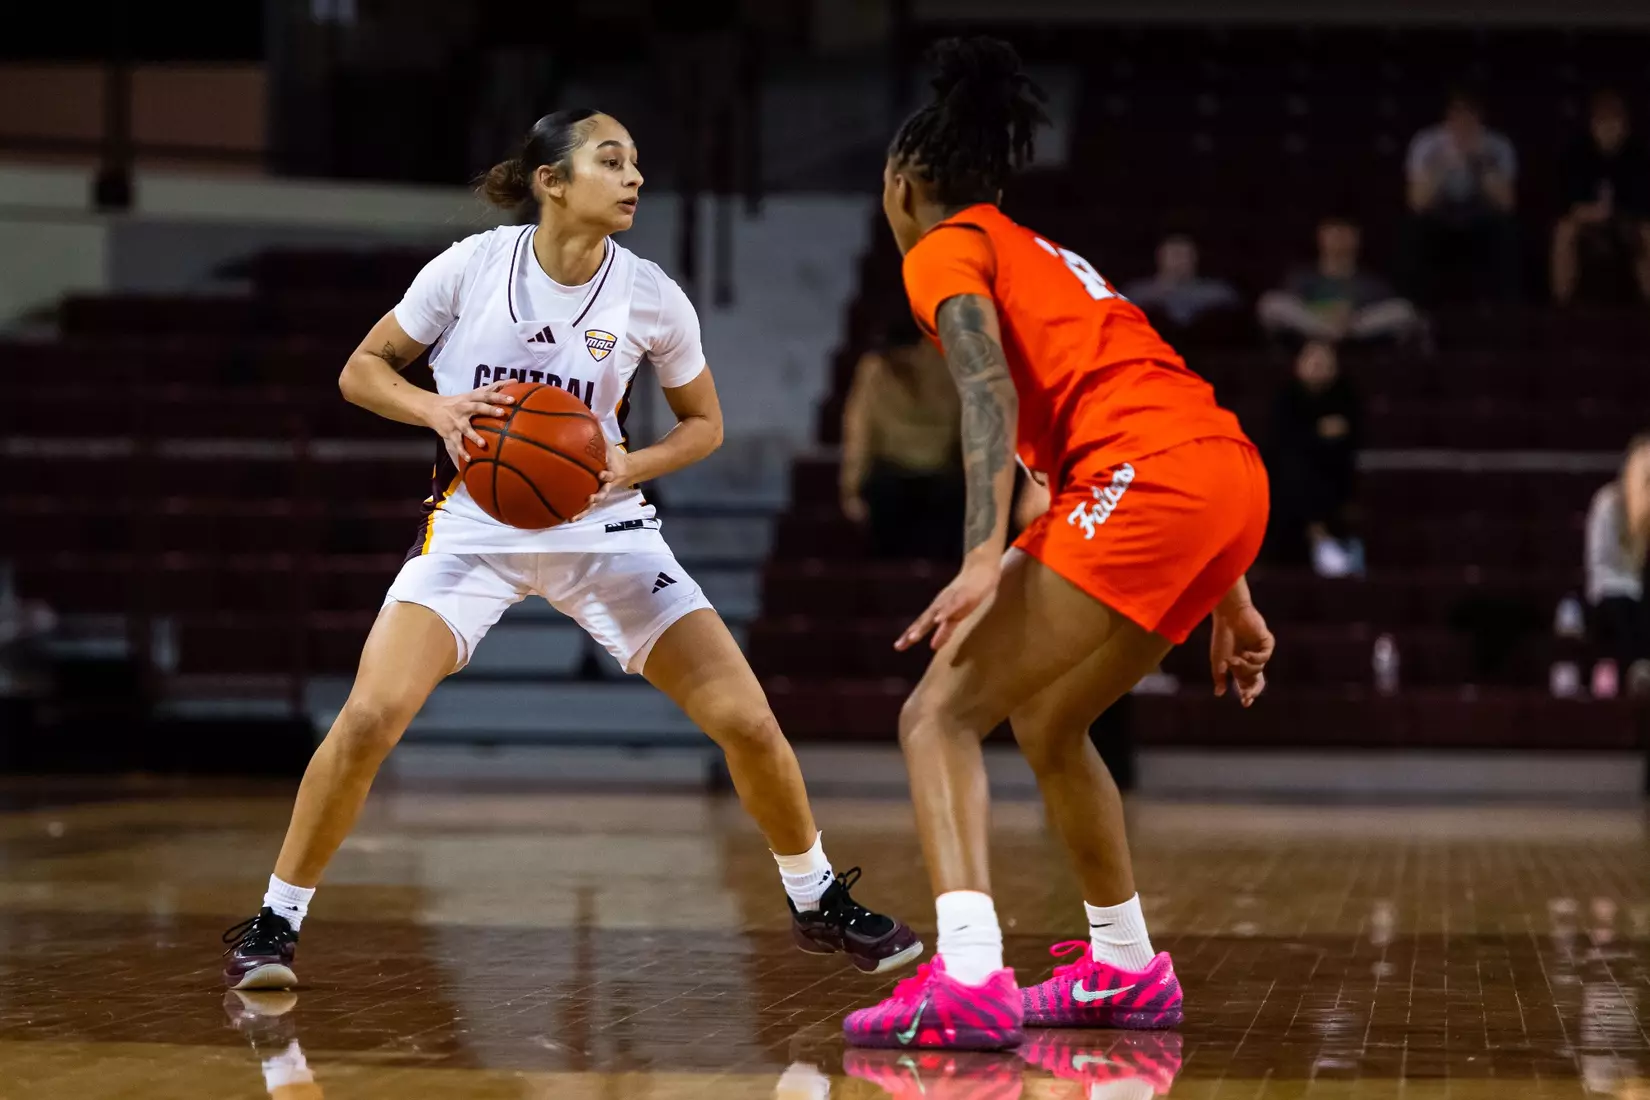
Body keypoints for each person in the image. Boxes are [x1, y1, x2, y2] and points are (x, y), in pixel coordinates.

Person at [220, 110, 919, 990]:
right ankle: (277, 922)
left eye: (637, 164)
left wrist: (635, 464)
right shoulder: (471, 267)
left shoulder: (651, 293)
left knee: (746, 719)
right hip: (474, 525)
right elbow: (362, 369)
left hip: (601, 525)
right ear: (550, 180)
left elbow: (705, 426)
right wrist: (437, 410)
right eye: (611, 161)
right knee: (366, 721)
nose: (633, 179)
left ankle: (815, 899)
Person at [843, 38, 1274, 1051]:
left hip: (1152, 481)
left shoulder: (941, 249)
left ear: (903, 185)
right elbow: (1158, 402)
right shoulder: (1042, 253)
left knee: (936, 713)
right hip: (1223, 477)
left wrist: (983, 552)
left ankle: (967, 974)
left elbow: (985, 390)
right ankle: (1126, 966)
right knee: (1048, 719)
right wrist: (1232, 593)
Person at [839, 311, 964, 560]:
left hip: (940, 473)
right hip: (891, 473)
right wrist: (850, 490)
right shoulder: (874, 370)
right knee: (885, 501)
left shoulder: (946, 364)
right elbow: (859, 431)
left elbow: (966, 424)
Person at [1402, 90, 1520, 304]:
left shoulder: (1498, 144)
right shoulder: (1426, 142)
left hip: (1480, 214)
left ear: (1480, 118)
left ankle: (1504, 310)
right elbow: (1417, 203)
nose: (1463, 123)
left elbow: (1506, 204)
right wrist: (1442, 164)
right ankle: (1417, 307)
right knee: (1413, 230)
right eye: (1457, 116)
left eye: (1470, 116)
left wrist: (1479, 161)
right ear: (1447, 117)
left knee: (1506, 230)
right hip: (1440, 214)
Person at [1265, 341, 1364, 578]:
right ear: (1298, 365)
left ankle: (1322, 538)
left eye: (1325, 361)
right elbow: (1281, 441)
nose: (1318, 366)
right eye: (1312, 360)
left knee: (1305, 468)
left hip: (1333, 475)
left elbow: (1353, 439)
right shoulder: (1286, 398)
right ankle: (1320, 537)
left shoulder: (1346, 396)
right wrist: (1318, 434)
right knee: (1292, 467)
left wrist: (1314, 438)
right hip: (1291, 480)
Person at [1258, 216, 1421, 347]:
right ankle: (1330, 332)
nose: (1339, 239)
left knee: (1404, 310)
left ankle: (1334, 332)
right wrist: (1326, 317)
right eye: (1333, 232)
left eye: (1345, 233)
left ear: (1357, 239)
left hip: (1356, 329)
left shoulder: (1371, 282)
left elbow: (1385, 311)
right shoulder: (1301, 276)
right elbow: (1290, 307)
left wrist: (1349, 317)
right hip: (1312, 328)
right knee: (1270, 303)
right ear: (1320, 237)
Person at [1552, 91, 1650, 304]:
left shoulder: (1638, 156)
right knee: (1564, 230)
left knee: (1647, 232)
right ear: (1592, 125)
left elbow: (1642, 202)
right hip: (1588, 220)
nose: (1609, 129)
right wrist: (1591, 213)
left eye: (1615, 122)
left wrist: (1617, 214)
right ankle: (1561, 304)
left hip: (1627, 220)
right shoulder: (1577, 153)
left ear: (1625, 126)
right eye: (1602, 122)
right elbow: (1569, 203)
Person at [1585, 433, 1650, 698]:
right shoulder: (1607, 502)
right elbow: (1598, 562)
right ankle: (1634, 670)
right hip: (1608, 588)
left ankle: (1641, 669)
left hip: (1637, 590)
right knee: (1624, 607)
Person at [1121, 234, 1241, 329]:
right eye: (1174, 253)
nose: (1179, 260)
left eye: (1185, 254)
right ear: (1160, 256)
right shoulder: (1137, 295)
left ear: (1196, 257)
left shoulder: (1218, 294)